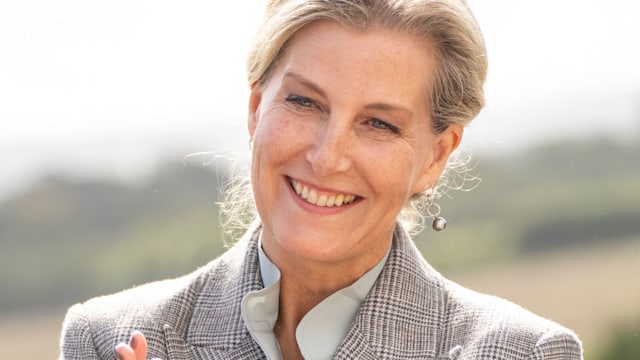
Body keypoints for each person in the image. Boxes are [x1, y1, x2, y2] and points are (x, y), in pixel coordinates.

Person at [59, 0, 583, 359]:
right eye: (305, 101)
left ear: (435, 156)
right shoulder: (108, 338)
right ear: (256, 106)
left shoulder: (521, 352)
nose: (327, 156)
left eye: (379, 123)